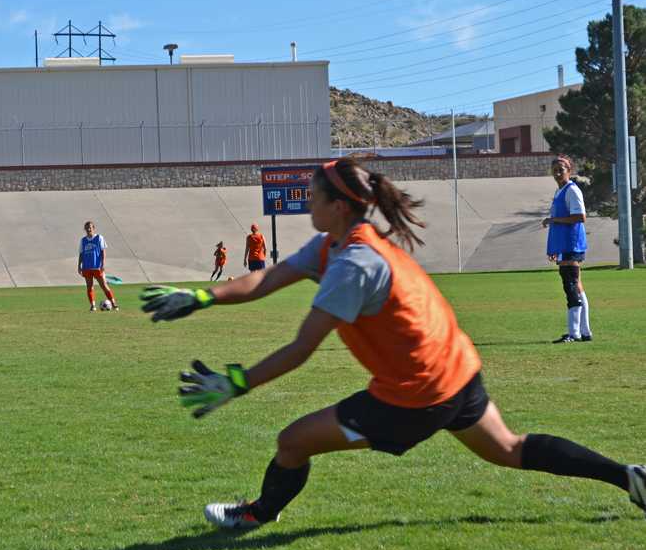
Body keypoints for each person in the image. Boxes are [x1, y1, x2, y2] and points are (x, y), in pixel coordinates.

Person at [139, 157, 644, 530]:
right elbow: (267, 280)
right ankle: (630, 478)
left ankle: (255, 515)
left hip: (416, 392)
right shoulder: (336, 243)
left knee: (292, 442)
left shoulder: (352, 265)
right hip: (457, 367)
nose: (307, 202)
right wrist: (201, 296)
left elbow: (302, 348)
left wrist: (236, 382)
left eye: (313, 196)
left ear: (337, 206)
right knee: (508, 448)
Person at [542, 154, 591, 343]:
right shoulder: (560, 191)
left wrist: (554, 220)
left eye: (561, 169)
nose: (557, 172)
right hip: (565, 245)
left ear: (569, 171)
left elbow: (580, 217)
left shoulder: (572, 190)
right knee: (576, 286)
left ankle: (574, 333)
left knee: (570, 284)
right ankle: (585, 332)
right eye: (554, 169)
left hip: (572, 243)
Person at [78, 220, 118, 311]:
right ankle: (93, 305)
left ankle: (114, 303)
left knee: (104, 285)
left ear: (93, 228)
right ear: (85, 229)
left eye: (90, 227)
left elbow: (103, 251)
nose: (89, 229)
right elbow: (81, 254)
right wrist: (79, 266)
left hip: (97, 267)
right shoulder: (83, 240)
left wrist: (103, 264)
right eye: (87, 227)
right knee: (89, 286)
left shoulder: (99, 238)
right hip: (86, 267)